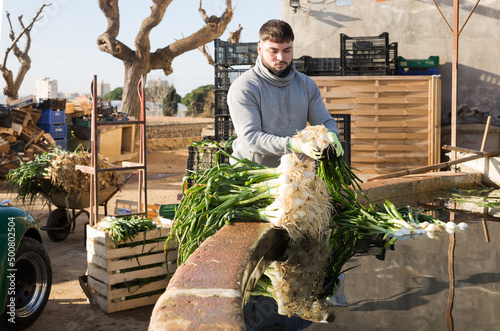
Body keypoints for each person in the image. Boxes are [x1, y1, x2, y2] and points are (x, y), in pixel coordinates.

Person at [227, 19, 343, 168]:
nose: (281, 58)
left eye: (287, 50)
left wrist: (331, 134)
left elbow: (324, 122)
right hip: (251, 175)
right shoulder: (245, 87)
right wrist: (294, 144)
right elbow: (251, 138)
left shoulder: (306, 85)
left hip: (294, 176)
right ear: (260, 49)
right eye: (273, 51)